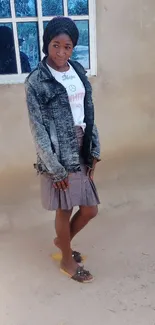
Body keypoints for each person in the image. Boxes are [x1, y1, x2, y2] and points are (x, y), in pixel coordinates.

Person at [25, 16, 101, 283]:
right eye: (55, 45)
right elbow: (38, 129)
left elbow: (87, 112)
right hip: (58, 154)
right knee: (65, 209)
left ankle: (62, 241)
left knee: (90, 209)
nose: (61, 52)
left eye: (67, 46)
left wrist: (94, 148)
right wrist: (55, 169)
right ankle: (67, 260)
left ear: (73, 48)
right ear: (47, 44)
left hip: (82, 145)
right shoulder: (37, 80)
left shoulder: (77, 70)